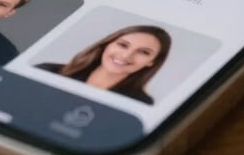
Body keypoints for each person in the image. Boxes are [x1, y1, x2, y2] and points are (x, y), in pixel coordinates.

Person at [38, 25, 172, 105]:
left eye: (143, 52)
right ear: (107, 44)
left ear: (152, 61)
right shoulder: (48, 70)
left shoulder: (141, 103)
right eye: (123, 45)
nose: (126, 56)